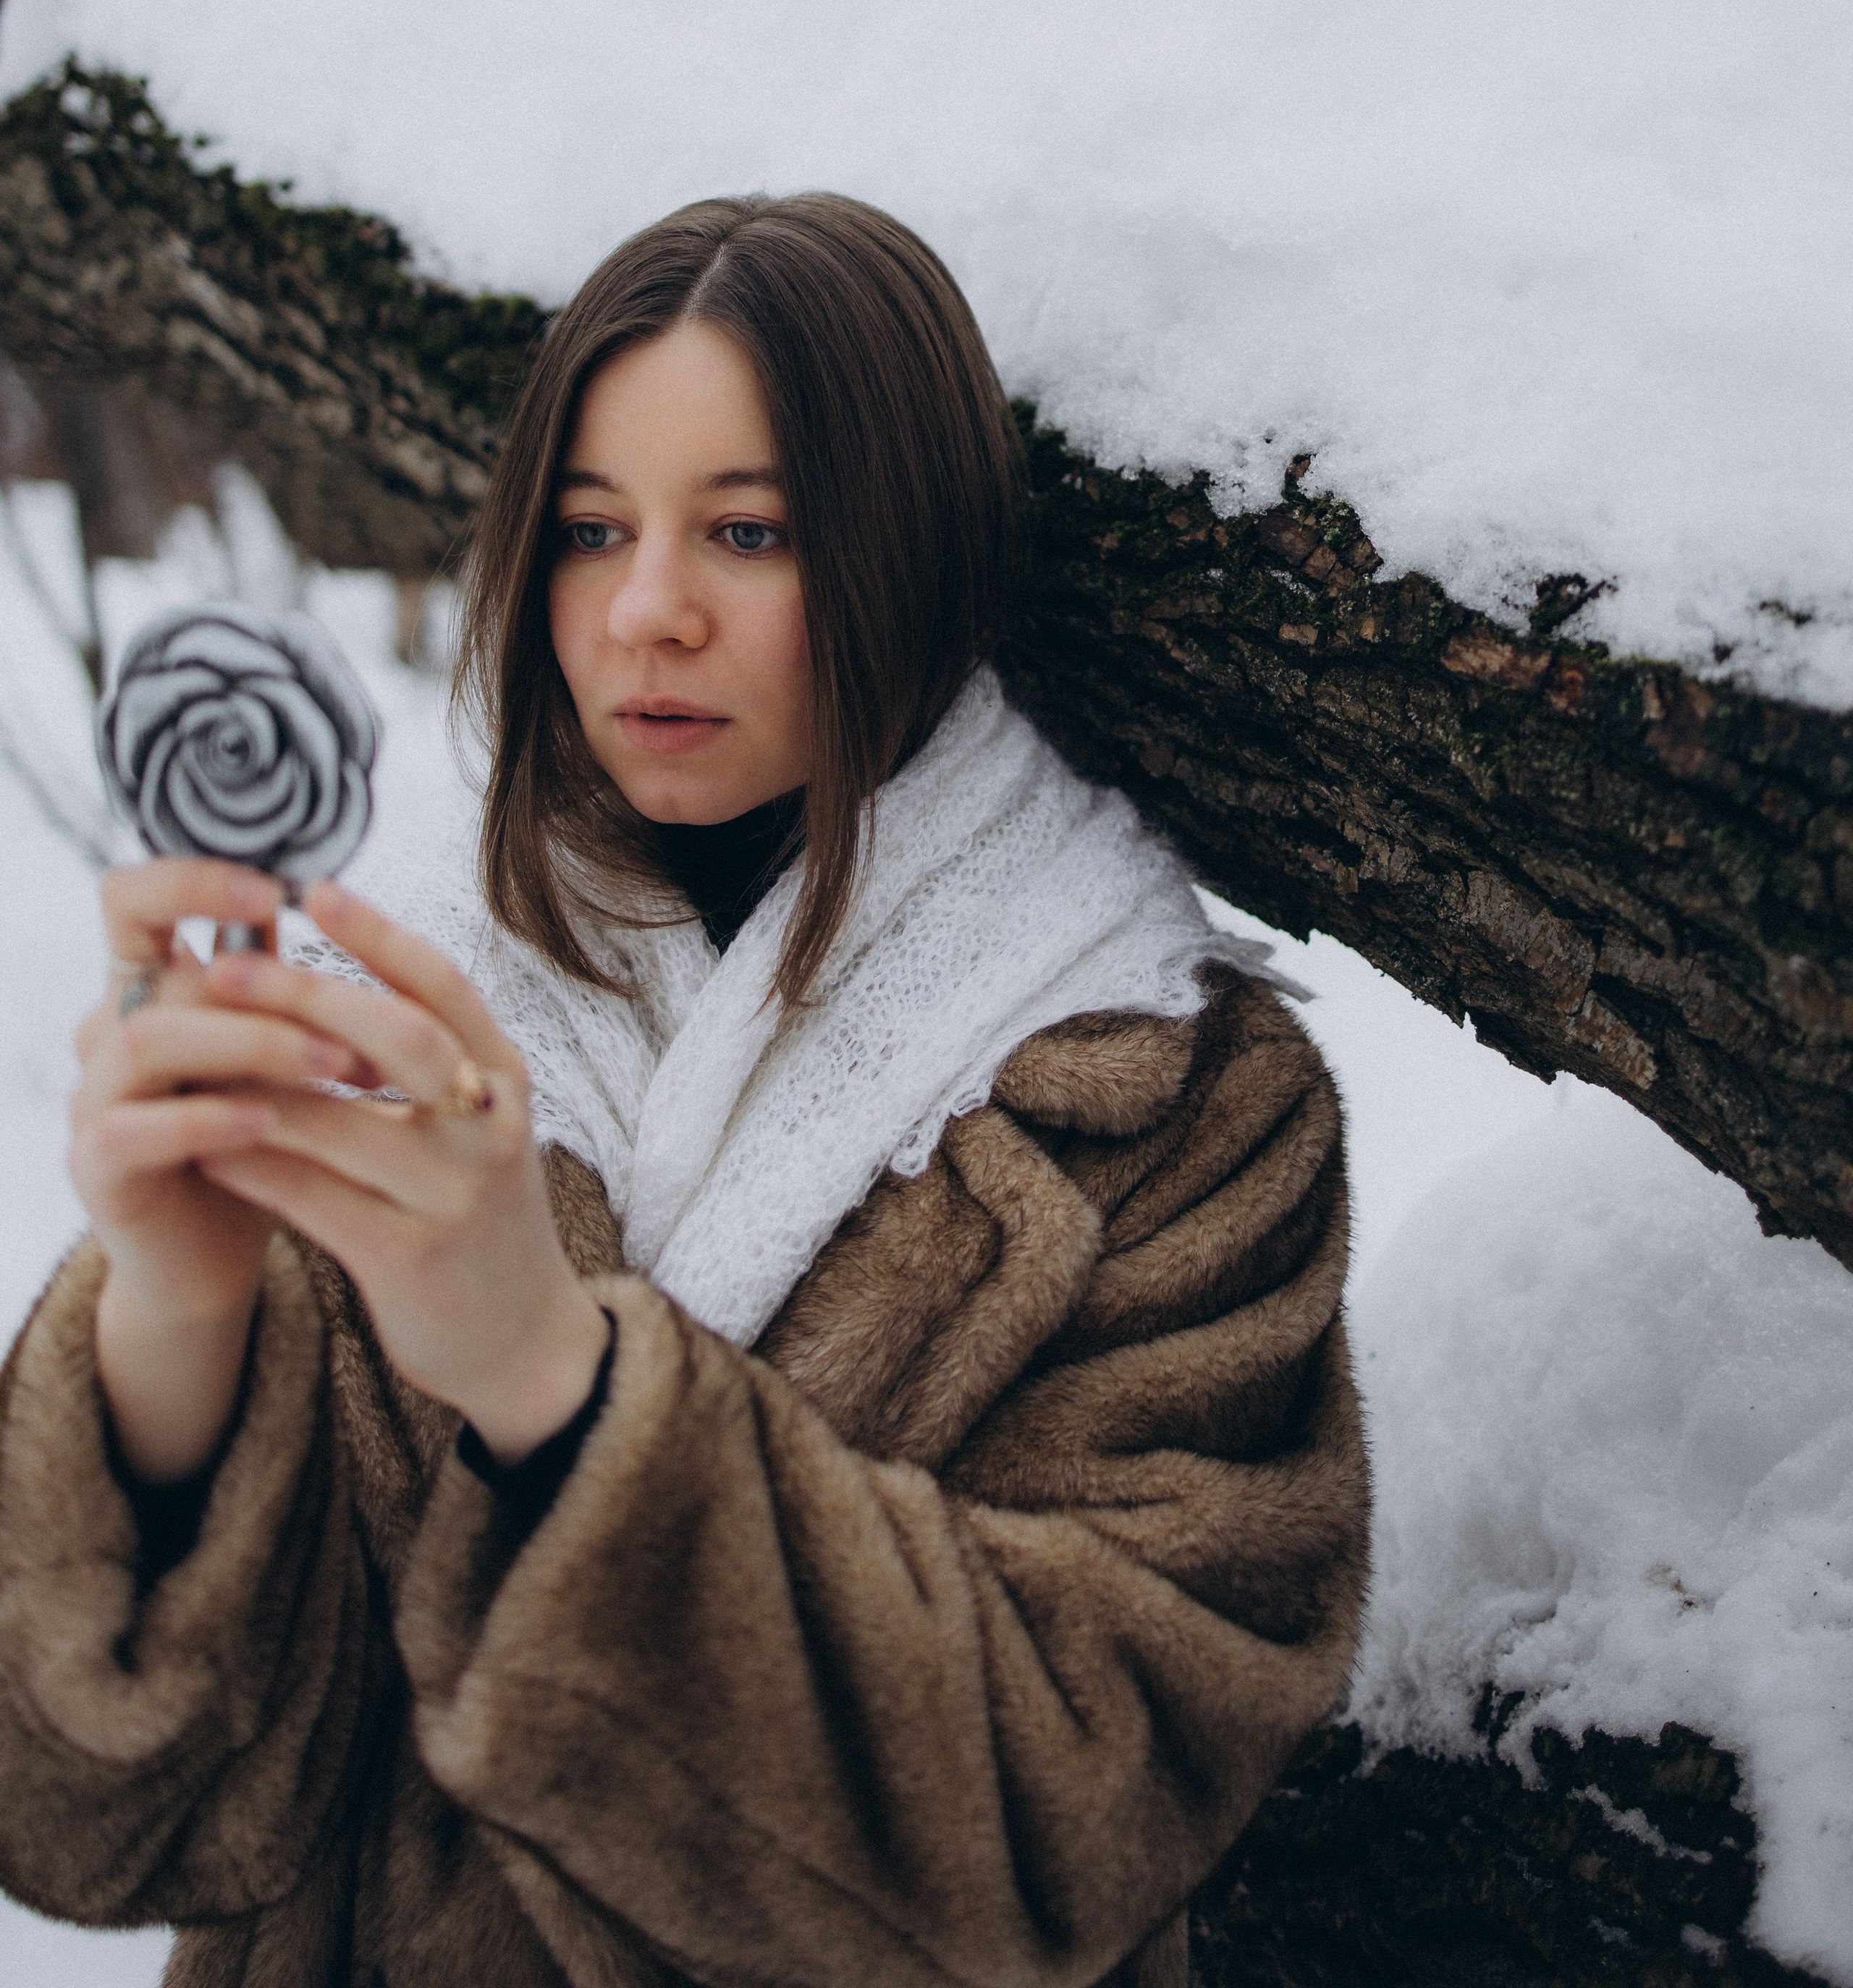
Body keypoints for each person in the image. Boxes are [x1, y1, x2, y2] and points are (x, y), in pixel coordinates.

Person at [0, 194, 1367, 1988]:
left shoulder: (1169, 1108)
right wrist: (175, 1320)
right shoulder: (383, 1010)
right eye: (587, 530)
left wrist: (545, 1384)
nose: (645, 614)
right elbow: (89, 1821)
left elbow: (1070, 1816)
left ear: (908, 552)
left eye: (748, 531)